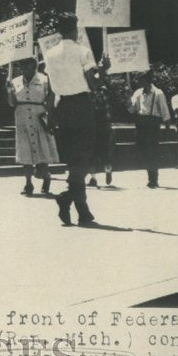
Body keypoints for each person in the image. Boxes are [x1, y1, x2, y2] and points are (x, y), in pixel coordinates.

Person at [43, 13, 108, 226]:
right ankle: (67, 198)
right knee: (83, 157)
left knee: (74, 160)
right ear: (75, 29)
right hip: (81, 107)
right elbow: (94, 84)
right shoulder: (83, 51)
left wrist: (51, 115)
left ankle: (83, 212)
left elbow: (51, 91)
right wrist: (104, 70)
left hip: (62, 108)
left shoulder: (50, 54)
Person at [5, 56, 57, 196]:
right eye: (22, 66)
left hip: (38, 115)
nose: (24, 69)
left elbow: (50, 99)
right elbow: (12, 103)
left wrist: (51, 116)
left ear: (34, 66)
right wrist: (9, 91)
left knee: (42, 148)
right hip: (22, 117)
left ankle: (46, 176)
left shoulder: (44, 79)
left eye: (27, 66)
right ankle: (28, 183)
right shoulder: (15, 81)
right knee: (25, 150)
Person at [128, 72, 170, 188]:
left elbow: (164, 110)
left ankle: (153, 178)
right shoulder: (137, 93)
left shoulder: (158, 93)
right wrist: (127, 99)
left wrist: (167, 125)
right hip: (141, 123)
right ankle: (150, 173)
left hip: (152, 124)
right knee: (141, 149)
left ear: (146, 81)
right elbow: (132, 109)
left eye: (140, 80)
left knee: (152, 151)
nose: (138, 82)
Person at [87, 82, 115, 187]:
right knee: (104, 150)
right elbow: (108, 109)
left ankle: (93, 178)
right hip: (102, 122)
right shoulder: (103, 91)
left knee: (92, 151)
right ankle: (107, 171)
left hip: (93, 121)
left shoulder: (89, 91)